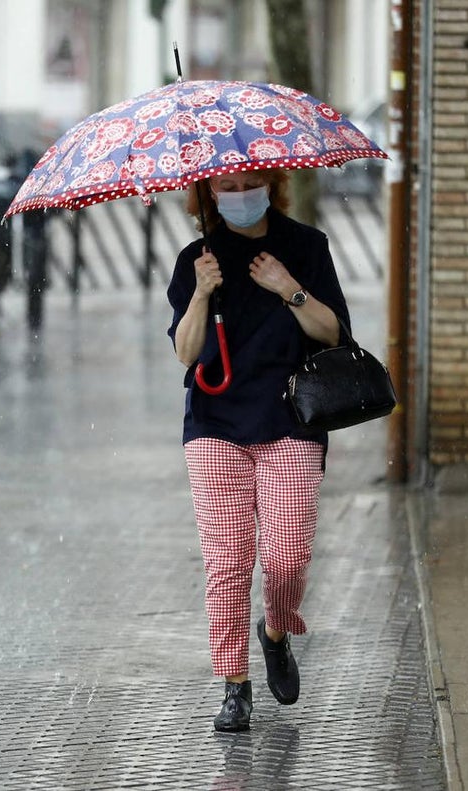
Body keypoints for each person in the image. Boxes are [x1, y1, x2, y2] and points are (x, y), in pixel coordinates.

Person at [165, 167, 350, 732]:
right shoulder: (197, 258)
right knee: (227, 563)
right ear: (208, 194)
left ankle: (275, 630)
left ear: (272, 185)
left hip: (290, 419)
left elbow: (334, 333)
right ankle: (234, 684)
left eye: (251, 184)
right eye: (228, 187)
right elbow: (185, 353)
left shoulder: (305, 246)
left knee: (288, 557)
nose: (240, 196)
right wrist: (201, 291)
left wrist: (286, 287)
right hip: (216, 423)